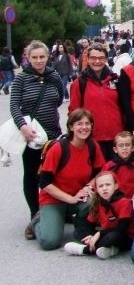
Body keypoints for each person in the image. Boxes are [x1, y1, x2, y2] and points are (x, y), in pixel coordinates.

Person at [10, 40, 65, 239]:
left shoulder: (54, 76)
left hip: (52, 135)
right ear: (28, 58)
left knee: (53, 174)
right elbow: (14, 105)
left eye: (42, 57)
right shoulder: (21, 79)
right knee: (31, 175)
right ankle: (35, 214)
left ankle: (55, 209)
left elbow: (59, 99)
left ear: (48, 57)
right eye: (35, 57)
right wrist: (23, 126)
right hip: (31, 136)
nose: (39, 60)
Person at [33, 109, 106, 250]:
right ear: (71, 127)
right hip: (54, 199)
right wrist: (70, 199)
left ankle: (81, 227)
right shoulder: (58, 148)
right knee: (49, 243)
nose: (84, 127)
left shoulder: (92, 146)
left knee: (95, 199)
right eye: (79, 124)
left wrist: (88, 187)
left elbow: (100, 173)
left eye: (87, 123)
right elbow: (44, 183)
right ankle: (37, 221)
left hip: (78, 196)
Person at [69, 43, 124, 160]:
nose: (97, 61)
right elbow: (74, 112)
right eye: (93, 58)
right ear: (88, 59)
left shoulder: (115, 80)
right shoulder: (79, 84)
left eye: (101, 58)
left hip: (116, 137)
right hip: (92, 138)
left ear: (106, 59)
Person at [62, 170, 133, 259]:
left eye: (108, 185)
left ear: (116, 186)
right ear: (97, 190)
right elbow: (89, 222)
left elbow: (122, 228)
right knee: (78, 232)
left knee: (112, 237)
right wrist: (91, 235)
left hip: (123, 236)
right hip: (104, 233)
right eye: (101, 186)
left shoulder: (123, 202)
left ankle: (85, 250)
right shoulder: (99, 202)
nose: (104, 188)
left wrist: (99, 234)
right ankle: (109, 249)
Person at [102, 131, 134, 199]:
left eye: (127, 145)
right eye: (121, 145)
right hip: (114, 201)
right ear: (115, 149)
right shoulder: (109, 166)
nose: (124, 148)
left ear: (133, 148)